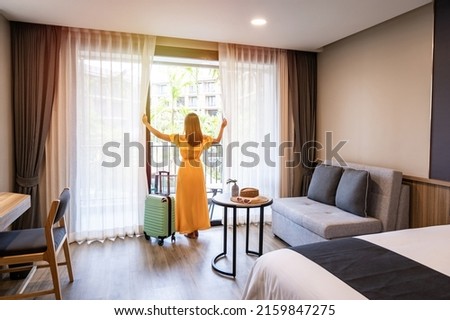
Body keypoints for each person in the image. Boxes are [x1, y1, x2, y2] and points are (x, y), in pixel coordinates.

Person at [142, 112, 227, 239]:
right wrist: (222, 127)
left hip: (185, 171)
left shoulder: (180, 138)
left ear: (186, 125)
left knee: (186, 202)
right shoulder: (203, 139)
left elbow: (159, 135)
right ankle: (195, 229)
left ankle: (189, 230)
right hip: (197, 170)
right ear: (197, 125)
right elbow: (218, 139)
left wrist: (146, 124)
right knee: (196, 201)